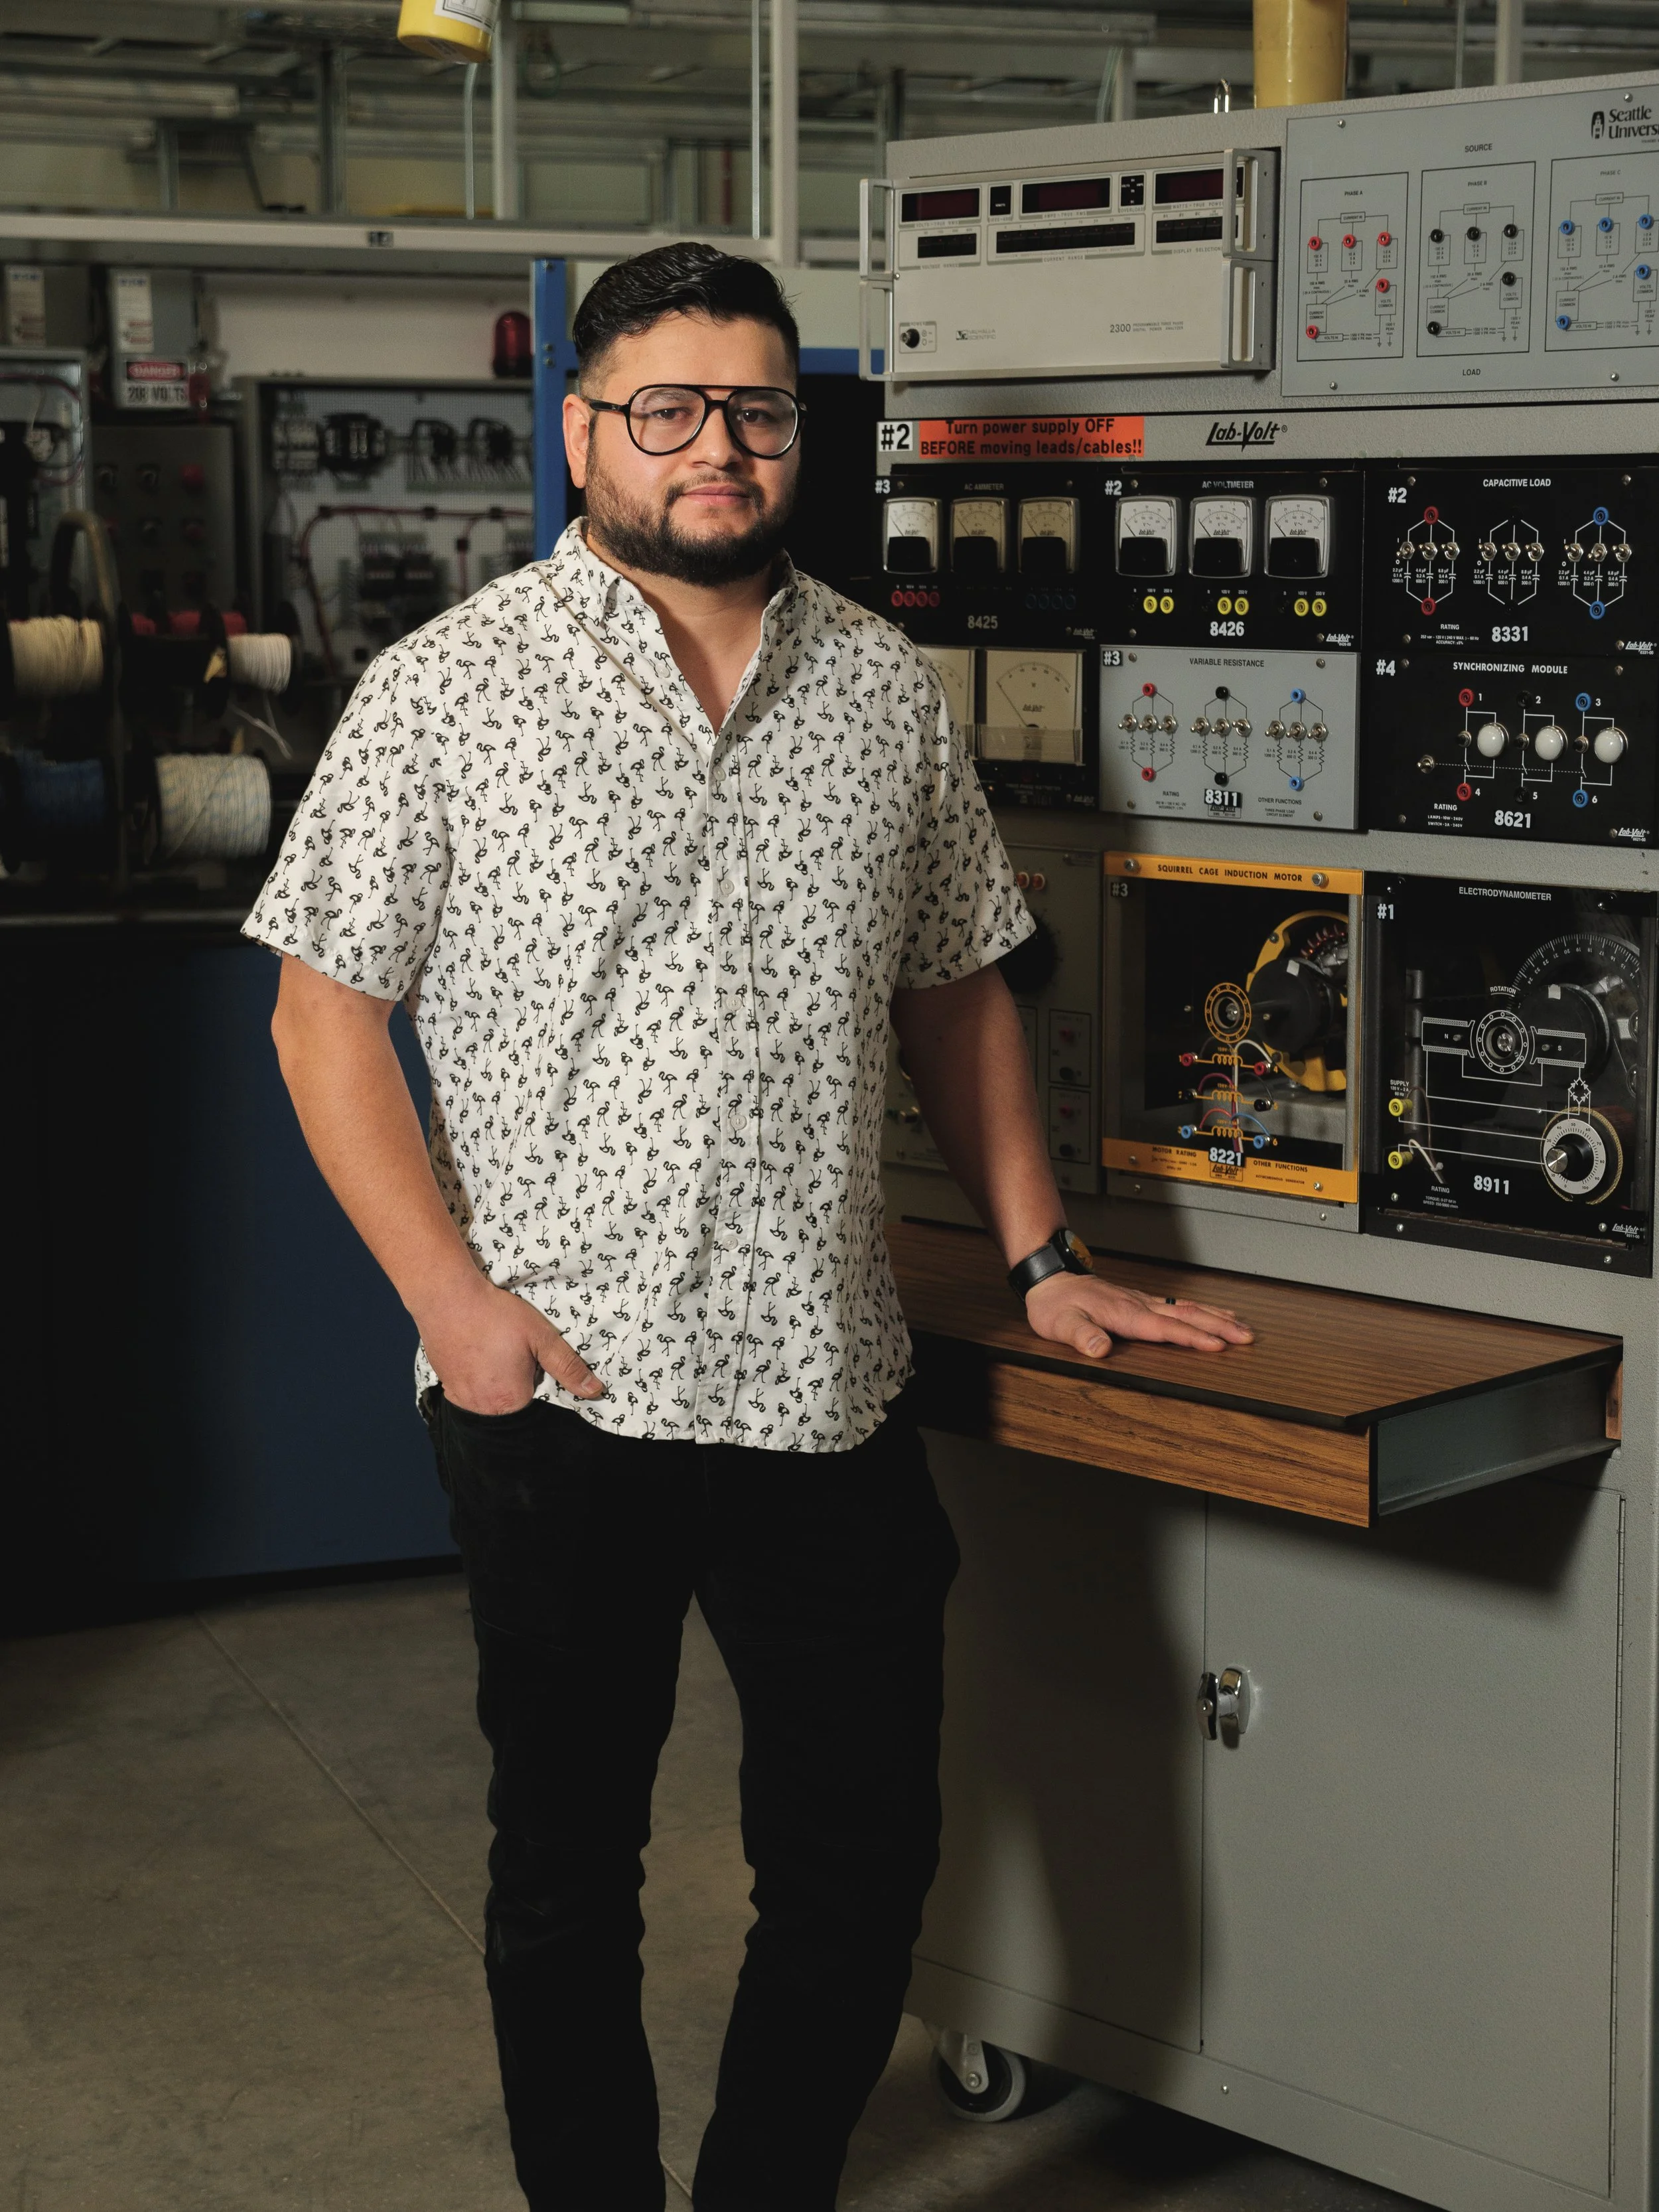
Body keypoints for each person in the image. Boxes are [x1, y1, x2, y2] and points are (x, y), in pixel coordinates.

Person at [248, 242, 1251, 2212]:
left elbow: (954, 986)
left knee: (861, 1853)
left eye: (758, 409)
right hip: (561, 1389)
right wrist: (456, 1307)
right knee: (566, 1866)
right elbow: (321, 1009)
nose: (717, 446)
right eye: (669, 408)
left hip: (823, 1378)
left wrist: (1043, 1258)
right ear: (582, 435)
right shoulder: (447, 690)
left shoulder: (881, 687)